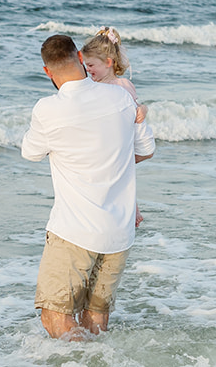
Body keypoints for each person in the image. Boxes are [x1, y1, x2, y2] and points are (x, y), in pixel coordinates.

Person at [20, 33, 155, 339]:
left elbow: (30, 152)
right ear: (80, 58)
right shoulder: (121, 98)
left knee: (56, 318)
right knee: (95, 319)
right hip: (119, 232)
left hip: (75, 230)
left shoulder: (48, 108)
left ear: (47, 72)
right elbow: (146, 149)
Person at [80, 27, 148, 227]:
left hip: (118, 145)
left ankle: (130, 210)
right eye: (85, 65)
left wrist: (144, 109)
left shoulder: (123, 85)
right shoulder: (93, 87)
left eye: (91, 64)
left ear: (108, 62)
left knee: (121, 180)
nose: (88, 69)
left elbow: (136, 110)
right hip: (103, 146)